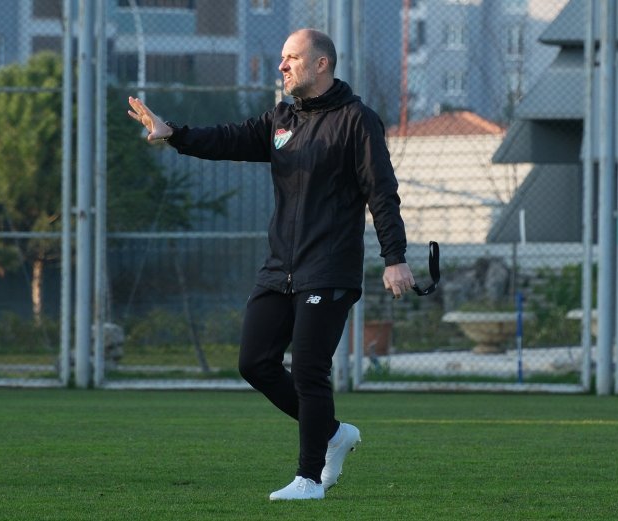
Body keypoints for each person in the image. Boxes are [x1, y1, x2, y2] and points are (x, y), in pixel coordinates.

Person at [127, 28, 416, 501]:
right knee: (255, 363)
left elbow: (381, 192)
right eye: (282, 58)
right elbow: (228, 138)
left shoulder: (357, 120)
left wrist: (395, 258)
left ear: (321, 63)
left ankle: (309, 479)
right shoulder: (283, 118)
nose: (282, 66)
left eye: (291, 58)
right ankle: (333, 433)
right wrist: (174, 133)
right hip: (280, 267)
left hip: (329, 268)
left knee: (308, 369)